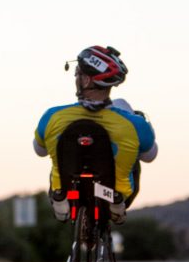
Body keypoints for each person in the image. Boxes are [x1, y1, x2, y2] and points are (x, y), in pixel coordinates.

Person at [34, 46, 157, 224]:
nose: (75, 78)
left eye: (77, 73)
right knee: (135, 158)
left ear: (85, 80)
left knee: (56, 157)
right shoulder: (133, 124)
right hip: (110, 190)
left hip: (69, 189)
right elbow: (150, 156)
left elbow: (39, 150)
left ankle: (59, 197)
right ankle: (116, 202)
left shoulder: (52, 117)